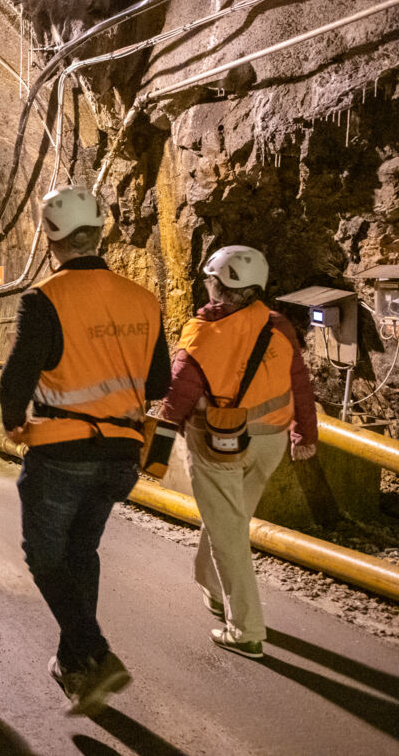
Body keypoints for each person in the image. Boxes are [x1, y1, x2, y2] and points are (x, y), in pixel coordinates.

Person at [0, 186, 170, 716]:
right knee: (80, 553)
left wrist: (12, 424)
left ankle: (96, 652)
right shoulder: (143, 299)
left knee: (45, 555)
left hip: (61, 454)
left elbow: (16, 379)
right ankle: (75, 670)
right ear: (101, 231)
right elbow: (159, 381)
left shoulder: (45, 299)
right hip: (121, 457)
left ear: (50, 237)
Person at [159, 245, 317, 659]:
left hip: (218, 445)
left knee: (229, 534)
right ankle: (211, 586)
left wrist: (154, 452)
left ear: (216, 285)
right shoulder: (279, 325)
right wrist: (306, 434)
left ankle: (245, 629)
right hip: (270, 444)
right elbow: (299, 383)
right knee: (228, 519)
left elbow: (176, 399)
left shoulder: (202, 333)